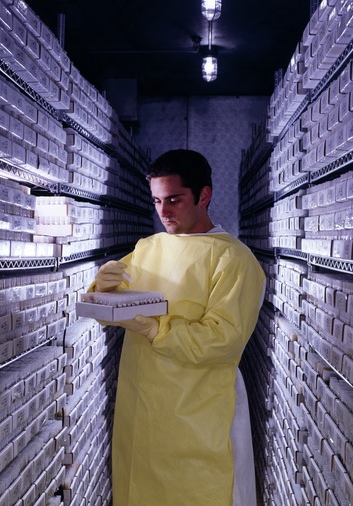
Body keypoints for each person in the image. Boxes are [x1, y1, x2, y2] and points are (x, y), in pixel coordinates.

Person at [90, 149, 266, 506]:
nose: (164, 212)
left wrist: (159, 330)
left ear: (204, 195)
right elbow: (109, 307)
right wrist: (100, 291)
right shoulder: (148, 248)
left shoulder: (233, 259)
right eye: (156, 200)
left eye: (174, 200)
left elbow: (223, 340)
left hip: (197, 417)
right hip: (142, 412)